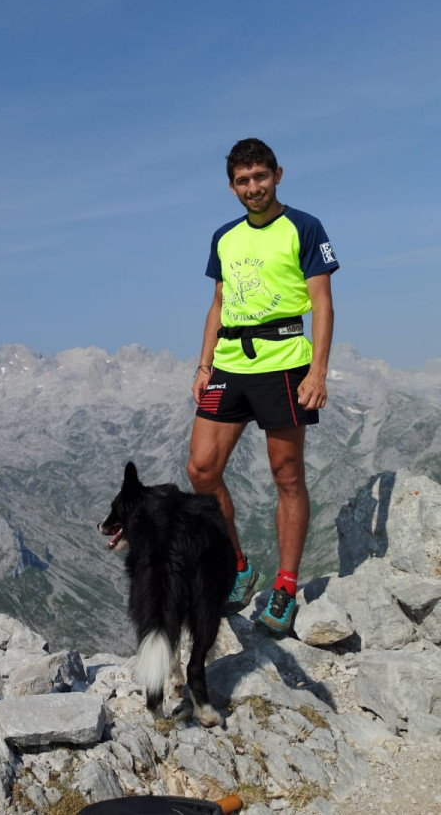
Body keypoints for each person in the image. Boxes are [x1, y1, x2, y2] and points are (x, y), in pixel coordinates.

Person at [187, 138, 337, 638]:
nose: (254, 187)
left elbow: (322, 303)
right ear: (232, 187)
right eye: (243, 180)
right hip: (229, 362)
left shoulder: (305, 226)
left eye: (261, 177)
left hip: (286, 363)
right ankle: (238, 567)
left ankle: (286, 586)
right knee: (201, 470)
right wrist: (204, 362)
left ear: (277, 174)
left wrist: (318, 372)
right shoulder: (224, 237)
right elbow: (218, 301)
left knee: (286, 474)